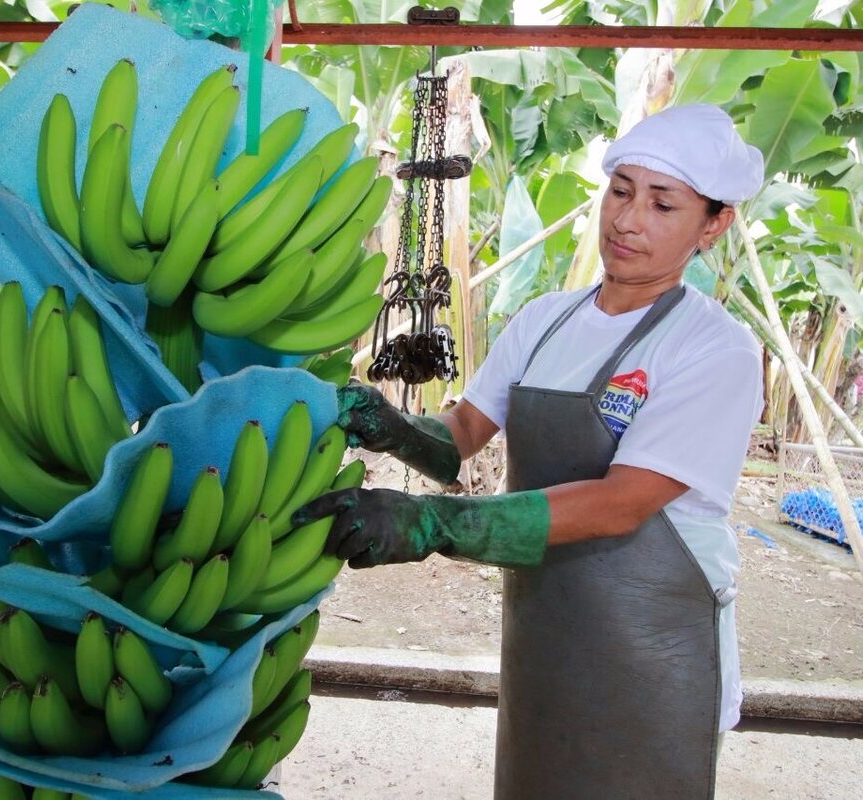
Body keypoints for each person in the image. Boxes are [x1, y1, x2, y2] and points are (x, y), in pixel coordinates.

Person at [292, 104, 766, 799]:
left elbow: (620, 503)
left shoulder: (713, 349)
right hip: (545, 626)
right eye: (621, 191)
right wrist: (387, 423)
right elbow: (459, 440)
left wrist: (432, 524)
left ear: (713, 223)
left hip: (654, 645)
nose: (628, 220)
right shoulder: (547, 322)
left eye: (663, 203)